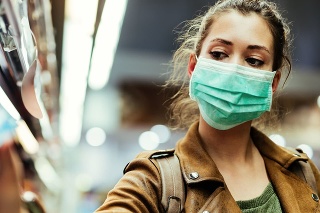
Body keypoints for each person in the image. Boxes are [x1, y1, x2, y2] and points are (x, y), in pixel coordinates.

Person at [95, 0, 320, 212]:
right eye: (219, 54)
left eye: (253, 60)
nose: (232, 70)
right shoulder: (154, 181)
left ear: (272, 83)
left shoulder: (302, 172)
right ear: (193, 67)